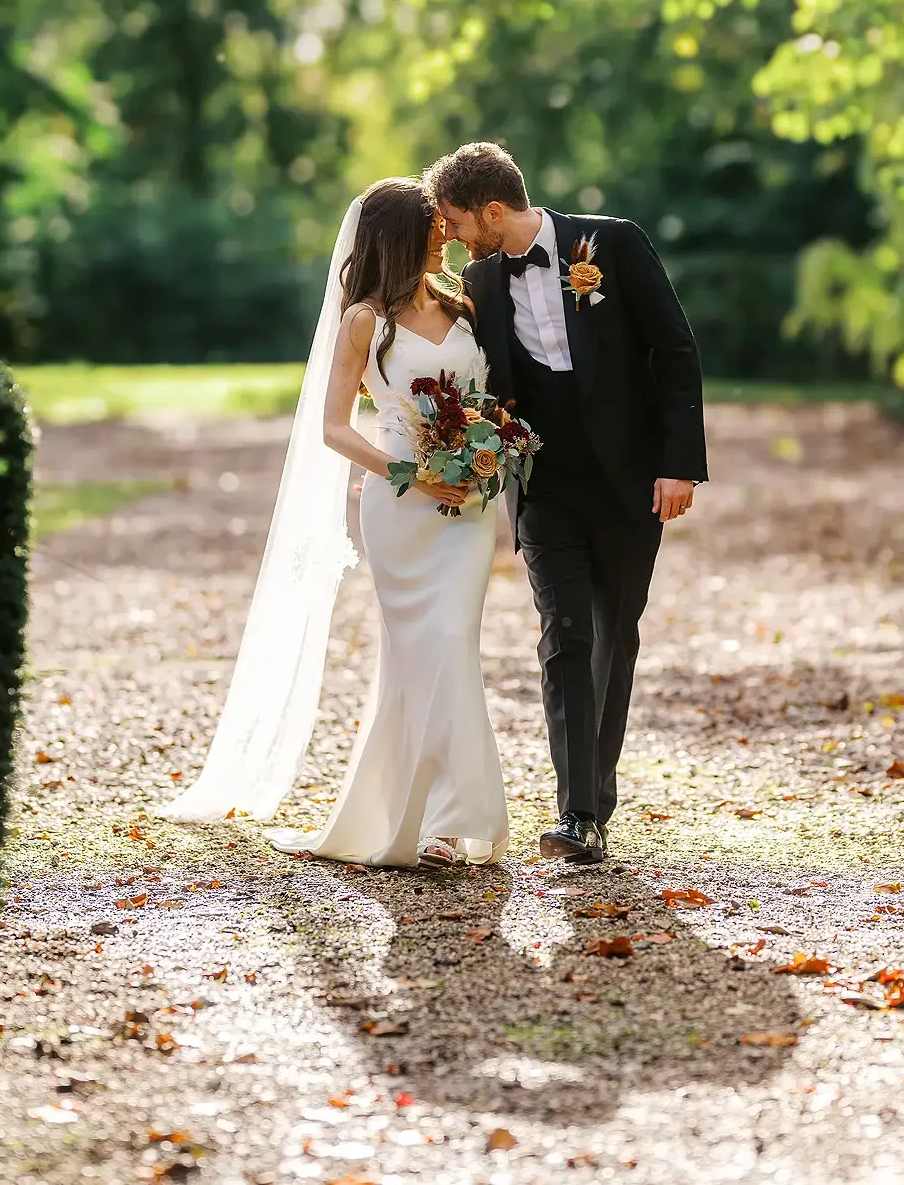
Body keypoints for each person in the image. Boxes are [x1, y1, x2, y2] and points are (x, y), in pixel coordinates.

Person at [162, 179, 508, 870]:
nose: (448, 231)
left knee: (452, 643)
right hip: (401, 505)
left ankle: (444, 816)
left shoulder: (462, 304)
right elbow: (330, 428)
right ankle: (434, 821)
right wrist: (408, 473)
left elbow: (486, 397)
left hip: (468, 506)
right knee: (423, 651)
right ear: (403, 236)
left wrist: (487, 447)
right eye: (434, 224)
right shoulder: (364, 322)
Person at [428, 141, 707, 866]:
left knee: (614, 635)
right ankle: (576, 814)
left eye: (458, 221)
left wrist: (679, 465)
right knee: (562, 636)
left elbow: (673, 349)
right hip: (542, 484)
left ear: (494, 209)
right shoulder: (480, 281)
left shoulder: (611, 242)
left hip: (628, 480)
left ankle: (596, 799)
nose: (454, 237)